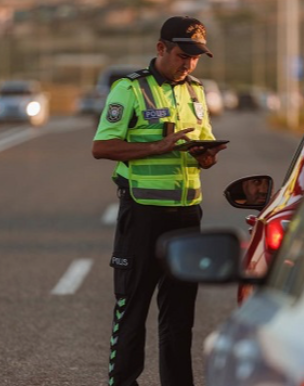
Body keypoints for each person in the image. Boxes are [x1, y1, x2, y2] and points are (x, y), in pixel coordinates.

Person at [92, 16, 226, 386]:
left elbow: (204, 139)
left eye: (196, 58)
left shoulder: (197, 91)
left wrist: (207, 155)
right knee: (132, 308)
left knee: (180, 316)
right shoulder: (129, 90)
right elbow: (101, 147)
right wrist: (157, 146)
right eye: (183, 55)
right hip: (143, 215)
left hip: (186, 216)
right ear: (161, 48)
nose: (189, 64)